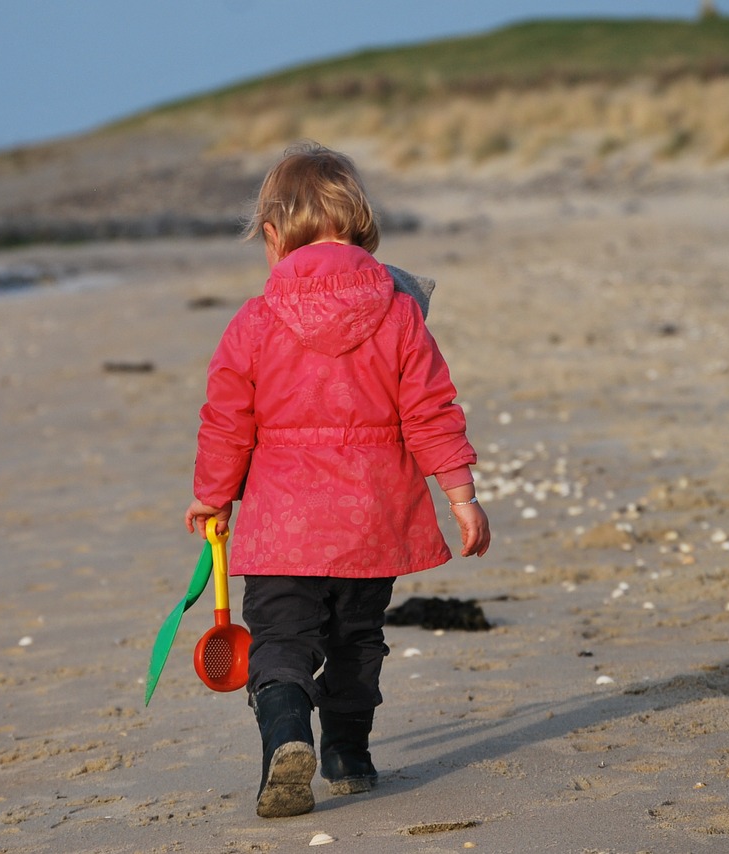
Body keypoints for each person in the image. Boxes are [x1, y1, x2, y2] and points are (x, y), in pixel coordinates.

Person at [183, 142, 490, 818]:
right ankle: (348, 755)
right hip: (370, 523)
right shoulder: (400, 310)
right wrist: (461, 494)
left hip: (281, 528)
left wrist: (212, 496)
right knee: (357, 640)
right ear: (361, 228)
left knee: (281, 643)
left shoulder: (255, 321)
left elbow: (227, 422)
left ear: (271, 235)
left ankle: (286, 739)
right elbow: (431, 409)